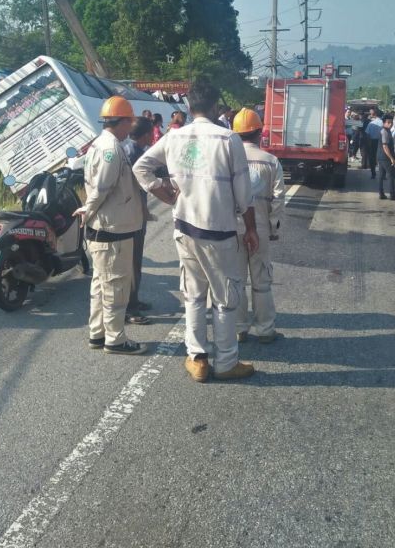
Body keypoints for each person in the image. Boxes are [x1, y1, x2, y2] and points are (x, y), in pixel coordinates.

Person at [133, 80, 259, 383]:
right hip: (220, 233)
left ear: (189, 107)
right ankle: (226, 362)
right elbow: (244, 193)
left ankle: (198, 359)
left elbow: (141, 167)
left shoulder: (174, 137)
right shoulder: (228, 139)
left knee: (193, 295)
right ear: (216, 107)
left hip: (185, 230)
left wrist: (161, 192)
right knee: (225, 298)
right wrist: (252, 228)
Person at [76, 96, 147, 355]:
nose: (131, 127)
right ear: (124, 121)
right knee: (116, 286)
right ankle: (115, 339)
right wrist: (88, 209)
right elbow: (102, 188)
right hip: (111, 228)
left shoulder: (103, 144)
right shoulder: (111, 149)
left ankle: (98, 333)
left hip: (106, 227)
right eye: (130, 121)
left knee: (100, 283)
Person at [232, 108, 285, 343]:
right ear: (259, 132)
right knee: (261, 280)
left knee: (237, 280)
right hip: (261, 227)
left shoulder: (228, 159)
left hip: (232, 228)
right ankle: (265, 329)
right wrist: (274, 227)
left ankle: (239, 328)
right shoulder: (271, 161)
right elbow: (278, 198)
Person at [123, 116, 156, 325]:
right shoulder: (135, 152)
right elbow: (139, 187)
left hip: (128, 212)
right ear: (145, 135)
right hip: (133, 214)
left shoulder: (126, 147)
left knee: (132, 261)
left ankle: (133, 301)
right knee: (132, 262)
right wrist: (145, 211)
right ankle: (130, 308)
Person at [377, 114, 395, 201]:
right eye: (388, 122)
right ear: (384, 123)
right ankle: (392, 195)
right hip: (385, 157)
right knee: (391, 175)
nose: (390, 124)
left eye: (391, 122)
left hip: (380, 156)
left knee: (381, 175)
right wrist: (391, 158)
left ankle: (381, 193)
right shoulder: (384, 132)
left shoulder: (387, 131)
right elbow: (385, 146)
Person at [365, 107, 383, 178]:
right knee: (381, 158)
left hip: (372, 141)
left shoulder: (371, 123)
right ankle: (382, 174)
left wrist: (368, 143)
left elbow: (367, 134)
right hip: (380, 141)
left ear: (374, 114)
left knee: (372, 157)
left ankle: (373, 173)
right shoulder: (382, 123)